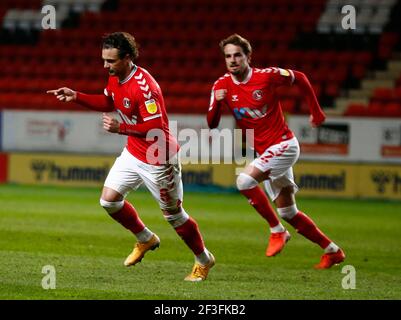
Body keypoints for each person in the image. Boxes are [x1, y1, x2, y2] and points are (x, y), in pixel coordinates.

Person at [47, 32, 214, 281]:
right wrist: (77, 96)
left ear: (127, 58)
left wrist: (121, 128)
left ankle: (204, 259)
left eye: (111, 61)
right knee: (109, 201)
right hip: (134, 152)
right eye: (104, 60)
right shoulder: (116, 76)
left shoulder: (145, 88)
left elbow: (157, 127)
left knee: (174, 215)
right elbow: (108, 100)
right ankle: (145, 238)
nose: (105, 65)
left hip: (159, 158)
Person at [207, 34, 345, 269]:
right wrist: (219, 102)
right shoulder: (221, 85)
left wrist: (316, 111)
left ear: (248, 57)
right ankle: (332, 251)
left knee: (244, 181)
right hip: (265, 152)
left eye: (237, 55)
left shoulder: (266, 76)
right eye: (228, 56)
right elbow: (211, 123)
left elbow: (299, 78)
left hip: (284, 145)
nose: (232, 60)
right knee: (288, 211)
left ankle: (277, 232)